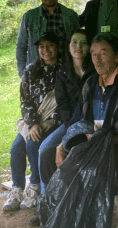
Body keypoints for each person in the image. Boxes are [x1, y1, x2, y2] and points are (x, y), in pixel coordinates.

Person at [38, 34, 118, 191]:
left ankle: (82, 213)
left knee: (86, 163)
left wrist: (101, 141)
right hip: (90, 143)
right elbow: (77, 120)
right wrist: (62, 144)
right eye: (93, 54)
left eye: (103, 54)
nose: (97, 60)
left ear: (117, 56)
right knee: (48, 156)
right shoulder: (91, 83)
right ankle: (55, 209)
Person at [3, 32, 62, 211]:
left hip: (53, 122)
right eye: (41, 47)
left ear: (58, 47)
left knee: (32, 143)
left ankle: (35, 188)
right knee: (16, 148)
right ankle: (17, 189)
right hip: (32, 121)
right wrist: (33, 123)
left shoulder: (63, 70)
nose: (45, 50)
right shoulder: (31, 70)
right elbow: (25, 100)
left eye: (50, 45)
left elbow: (68, 102)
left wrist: (50, 122)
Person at [35, 29, 95, 197]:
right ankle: (45, 199)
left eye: (83, 42)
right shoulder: (63, 72)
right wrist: (71, 128)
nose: (78, 46)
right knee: (44, 150)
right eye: (74, 42)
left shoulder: (95, 70)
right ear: (68, 47)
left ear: (90, 47)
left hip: (92, 123)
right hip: (69, 123)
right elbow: (62, 105)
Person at [16, 0, 79, 78]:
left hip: (66, 71)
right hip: (37, 73)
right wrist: (23, 74)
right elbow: (21, 46)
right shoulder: (30, 16)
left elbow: (77, 44)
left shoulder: (71, 16)